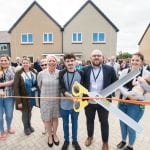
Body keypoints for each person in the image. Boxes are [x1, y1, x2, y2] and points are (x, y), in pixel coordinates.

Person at [82, 49, 117, 150]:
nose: (96, 57)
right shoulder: (85, 69)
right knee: (89, 120)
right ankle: (90, 137)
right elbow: (81, 84)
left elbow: (115, 83)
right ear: (90, 58)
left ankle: (105, 142)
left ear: (102, 58)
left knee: (104, 122)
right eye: (94, 56)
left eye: (98, 55)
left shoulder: (110, 69)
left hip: (104, 101)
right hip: (89, 102)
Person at [117, 52, 150, 150]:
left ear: (141, 62)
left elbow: (149, 89)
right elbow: (119, 85)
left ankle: (130, 146)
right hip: (122, 103)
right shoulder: (125, 71)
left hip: (135, 105)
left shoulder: (147, 74)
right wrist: (127, 94)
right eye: (133, 60)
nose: (134, 62)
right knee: (122, 123)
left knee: (131, 126)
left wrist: (143, 82)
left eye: (137, 60)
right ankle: (123, 140)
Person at [59, 53, 83, 150]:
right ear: (64, 62)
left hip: (76, 104)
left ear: (75, 61)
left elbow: (82, 87)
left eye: (72, 61)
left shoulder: (81, 73)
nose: (70, 63)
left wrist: (79, 97)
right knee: (65, 123)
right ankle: (66, 140)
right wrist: (71, 97)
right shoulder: (61, 73)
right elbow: (62, 88)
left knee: (75, 122)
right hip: (64, 104)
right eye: (67, 61)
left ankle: (75, 140)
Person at [37, 55, 60, 148]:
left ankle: (55, 134)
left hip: (56, 100)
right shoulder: (41, 74)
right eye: (49, 61)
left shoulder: (60, 73)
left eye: (53, 60)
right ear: (47, 62)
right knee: (47, 119)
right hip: (45, 100)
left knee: (55, 118)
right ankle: (49, 136)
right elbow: (40, 86)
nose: (51, 62)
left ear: (56, 62)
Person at [14, 57, 38, 136]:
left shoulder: (33, 72)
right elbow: (16, 88)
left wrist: (34, 89)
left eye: (27, 62)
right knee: (25, 113)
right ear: (22, 63)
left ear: (30, 63)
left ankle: (29, 125)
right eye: (23, 63)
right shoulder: (18, 73)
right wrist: (18, 102)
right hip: (23, 98)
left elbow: (36, 84)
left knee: (29, 112)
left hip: (31, 97)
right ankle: (25, 128)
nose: (25, 64)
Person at [0, 54, 15, 140]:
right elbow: (11, 82)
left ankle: (8, 127)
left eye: (5, 60)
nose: (3, 62)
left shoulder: (12, 70)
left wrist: (2, 84)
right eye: (1, 60)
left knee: (9, 115)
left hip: (9, 96)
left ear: (8, 61)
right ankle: (1, 131)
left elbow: (14, 81)